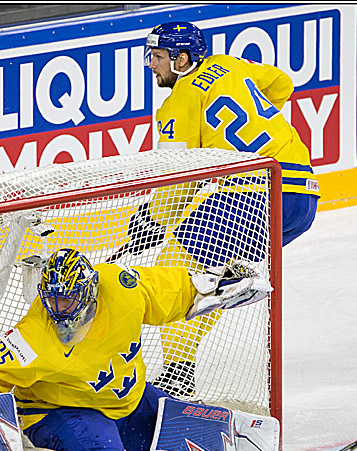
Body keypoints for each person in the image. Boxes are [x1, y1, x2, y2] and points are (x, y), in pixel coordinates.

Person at [133, 21, 320, 397]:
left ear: (182, 60)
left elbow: (178, 179)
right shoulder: (230, 64)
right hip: (303, 197)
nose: (151, 65)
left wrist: (153, 221)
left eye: (158, 57)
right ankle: (233, 281)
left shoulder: (178, 100)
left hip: (256, 196)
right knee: (209, 276)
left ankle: (177, 377)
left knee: (180, 274)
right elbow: (282, 83)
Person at [0, 247, 270, 451]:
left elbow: (163, 290)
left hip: (130, 399)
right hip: (62, 412)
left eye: (67, 299)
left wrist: (210, 287)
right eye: (52, 299)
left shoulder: (120, 286)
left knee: (198, 435)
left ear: (89, 290)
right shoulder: (33, 337)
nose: (57, 308)